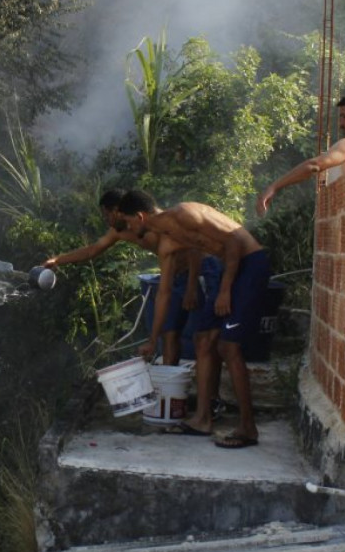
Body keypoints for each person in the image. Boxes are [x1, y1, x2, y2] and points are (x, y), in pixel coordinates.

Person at [118, 191, 270, 449]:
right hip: (230, 270)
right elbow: (164, 294)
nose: (128, 229)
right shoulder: (169, 242)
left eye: (128, 222)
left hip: (250, 263)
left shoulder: (183, 213)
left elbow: (234, 241)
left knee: (228, 346)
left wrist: (224, 290)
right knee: (202, 339)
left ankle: (248, 427)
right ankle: (202, 418)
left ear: (140, 217)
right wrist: (152, 340)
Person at [43, 190, 212, 367]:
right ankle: (169, 386)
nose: (106, 220)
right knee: (168, 332)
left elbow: (194, 249)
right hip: (173, 277)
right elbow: (93, 249)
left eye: (106, 214)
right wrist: (58, 260)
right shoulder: (120, 231)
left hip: (197, 273)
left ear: (118, 211)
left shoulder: (156, 223)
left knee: (204, 336)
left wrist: (192, 286)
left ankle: (207, 386)